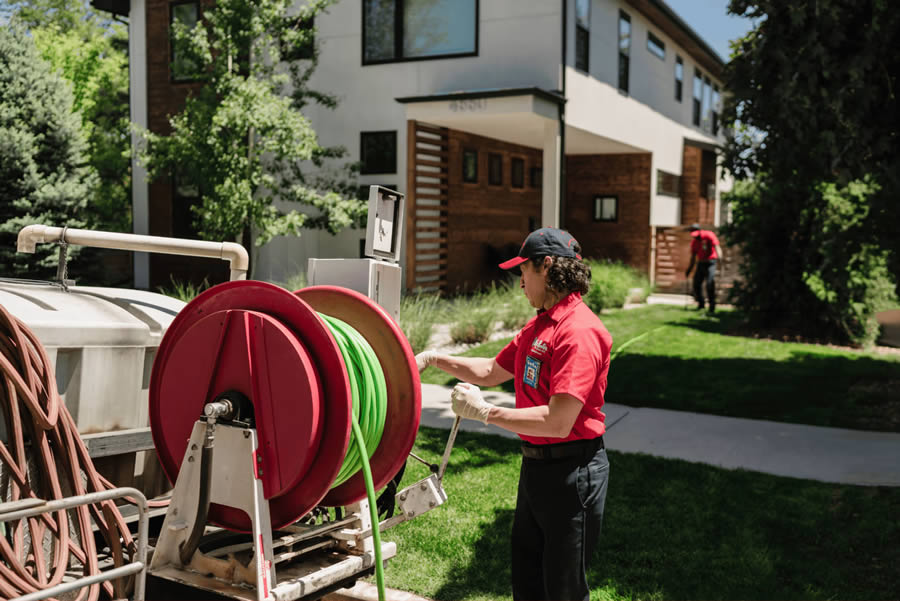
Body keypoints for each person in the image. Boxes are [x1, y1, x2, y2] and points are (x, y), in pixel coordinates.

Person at [415, 227, 611, 601]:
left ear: (547, 266)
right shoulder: (541, 324)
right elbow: (491, 370)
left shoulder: (579, 332)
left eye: (524, 270)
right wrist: (433, 358)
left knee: (563, 591)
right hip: (537, 470)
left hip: (572, 475)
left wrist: (486, 412)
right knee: (528, 583)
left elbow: (558, 421)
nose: (520, 282)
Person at [684, 223, 723, 313]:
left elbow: (717, 247)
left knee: (710, 284)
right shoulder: (694, 242)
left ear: (700, 231)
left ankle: (712, 306)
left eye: (696, 236)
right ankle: (701, 304)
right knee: (696, 284)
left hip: (711, 263)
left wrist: (720, 260)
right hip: (701, 263)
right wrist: (689, 269)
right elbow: (693, 258)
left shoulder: (709, 235)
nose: (695, 238)